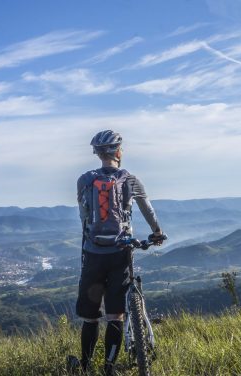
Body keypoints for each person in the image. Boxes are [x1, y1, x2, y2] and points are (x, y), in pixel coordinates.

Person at [74, 130, 164, 375]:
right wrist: (157, 232)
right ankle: (109, 367)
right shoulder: (130, 179)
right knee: (116, 314)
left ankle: (84, 366)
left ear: (98, 153)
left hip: (93, 253)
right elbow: (148, 210)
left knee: (91, 317)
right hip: (120, 253)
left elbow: (83, 216)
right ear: (118, 152)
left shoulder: (84, 180)